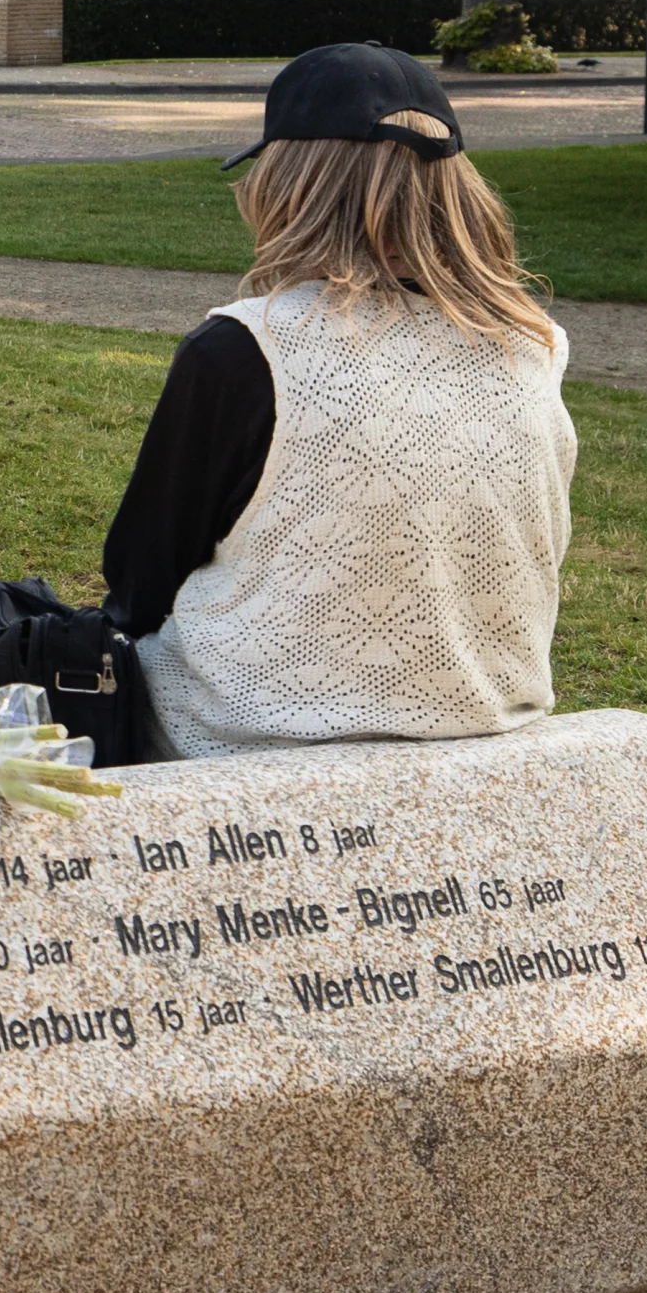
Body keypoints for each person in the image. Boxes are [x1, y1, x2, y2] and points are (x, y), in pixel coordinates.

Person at [102, 42, 576, 758]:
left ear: (291, 184)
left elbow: (141, 578)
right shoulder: (531, 344)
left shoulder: (244, 351)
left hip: (245, 738)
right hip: (484, 720)